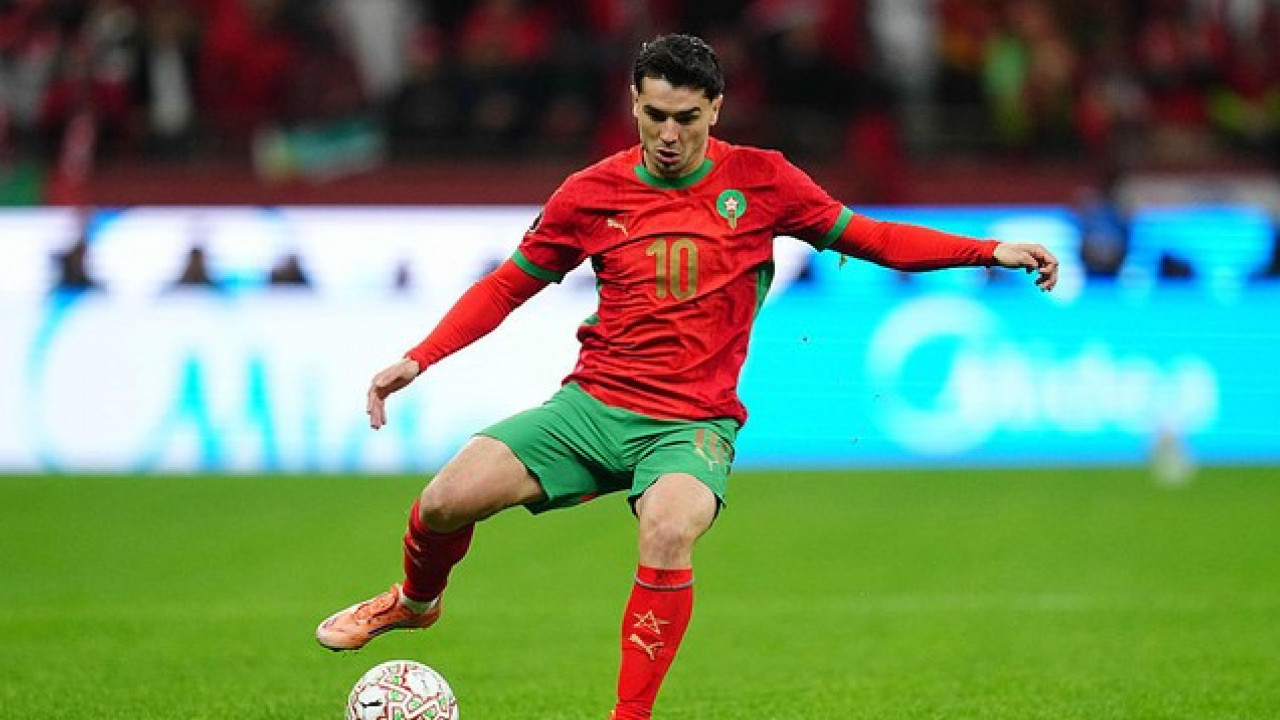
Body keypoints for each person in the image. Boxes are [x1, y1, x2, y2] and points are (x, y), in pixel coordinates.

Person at [316, 33, 1059, 719]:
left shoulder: (762, 180)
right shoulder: (591, 193)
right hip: (590, 409)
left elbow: (873, 238)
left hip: (691, 425)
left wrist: (987, 251)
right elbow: (508, 286)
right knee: (443, 501)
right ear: (633, 104)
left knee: (669, 529)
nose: (669, 135)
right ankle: (415, 603)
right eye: (655, 116)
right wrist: (419, 357)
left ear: (716, 110)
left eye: (687, 119)